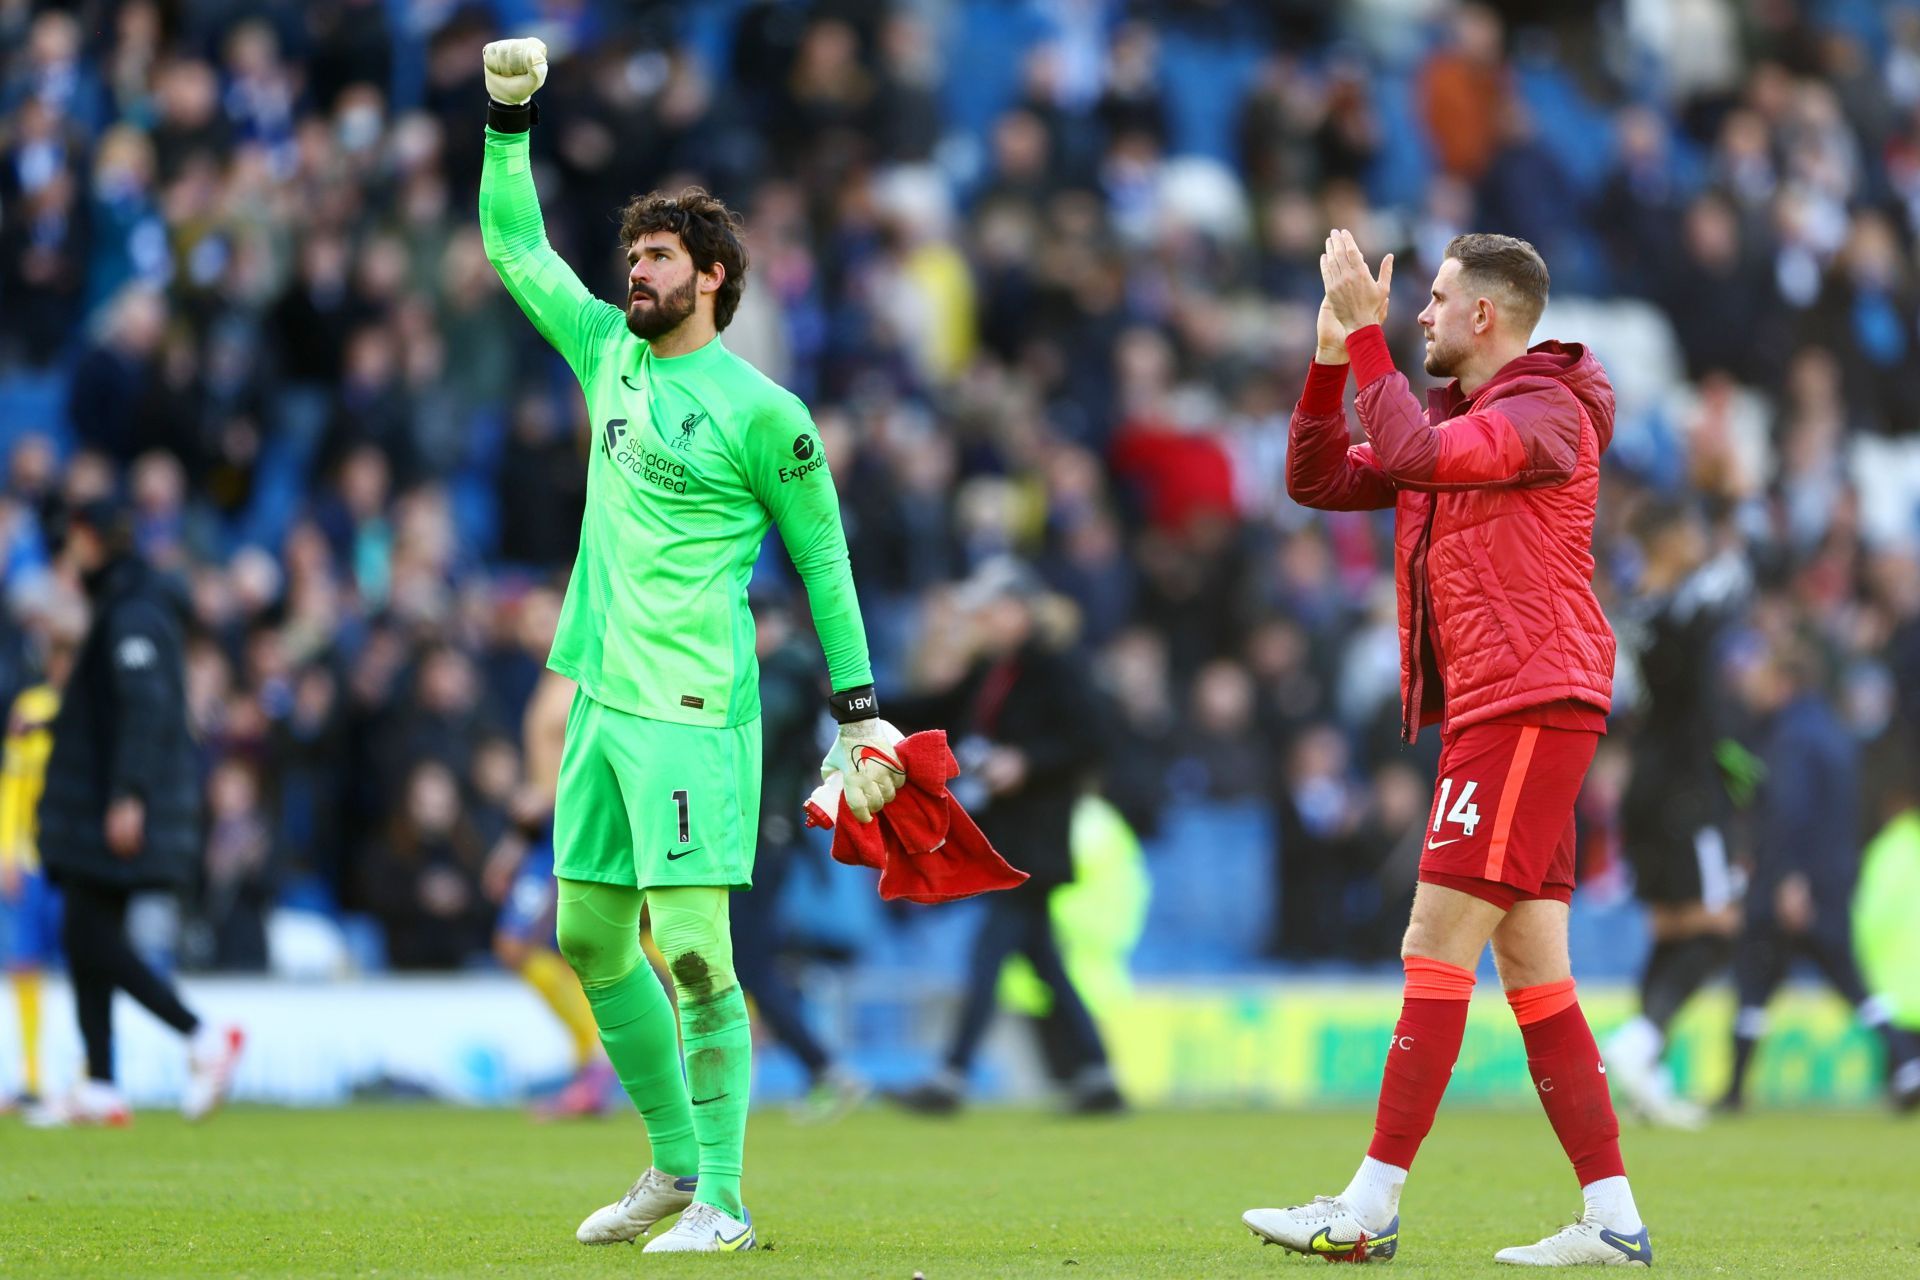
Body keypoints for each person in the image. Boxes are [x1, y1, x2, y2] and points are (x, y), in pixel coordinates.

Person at [478, 38, 902, 1254]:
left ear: (711, 276)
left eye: (657, 257)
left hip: (694, 702)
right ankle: (669, 1164)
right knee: (588, 938)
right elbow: (515, 247)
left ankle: (724, 1194)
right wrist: (511, 120)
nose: (634, 273)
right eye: (631, 255)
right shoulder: (605, 349)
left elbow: (823, 559)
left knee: (700, 953)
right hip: (604, 693)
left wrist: (858, 702)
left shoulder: (768, 414)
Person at [1245, 231, 1650, 1266]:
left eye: (1432, 299)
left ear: (1486, 317)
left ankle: (1369, 1205)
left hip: (1527, 700)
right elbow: (1318, 476)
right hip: (1503, 706)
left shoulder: (1543, 412)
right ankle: (1612, 1217)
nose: (1416, 313)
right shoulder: (1456, 420)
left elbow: (1417, 459)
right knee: (1532, 965)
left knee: (1433, 940)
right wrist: (1336, 351)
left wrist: (1372, 346)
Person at [30, 498, 243, 1126]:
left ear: (87, 539)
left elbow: (144, 706)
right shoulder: (129, 604)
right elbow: (112, 708)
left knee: (90, 934)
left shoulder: (132, 611)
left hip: (117, 803)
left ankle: (203, 1037)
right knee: (84, 930)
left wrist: (128, 794)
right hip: (104, 800)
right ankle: (99, 1083)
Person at [883, 558, 1123, 1116]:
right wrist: (862, 707)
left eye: (990, 610)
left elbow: (1094, 738)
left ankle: (952, 1075)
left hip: (1033, 837)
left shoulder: (1057, 667)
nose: (982, 620)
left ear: (1019, 610)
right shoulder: (994, 668)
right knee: (1042, 960)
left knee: (990, 950)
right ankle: (1096, 1073)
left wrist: (1028, 762)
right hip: (1006, 835)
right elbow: (936, 712)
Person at [1717, 633, 1920, 1113]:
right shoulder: (1833, 731)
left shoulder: (1791, 736)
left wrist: (1789, 878)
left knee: (1754, 980)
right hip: (1832, 877)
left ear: (1785, 681)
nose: (1755, 687)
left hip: (1792, 884)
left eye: (1763, 677)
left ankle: (1733, 1091)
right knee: (1849, 982)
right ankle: (1908, 1064)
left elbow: (1792, 811)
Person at [1604, 501, 1747, 1128]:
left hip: (1646, 781)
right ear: (1664, 542)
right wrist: (1733, 499)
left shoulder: (1634, 611)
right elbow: (1736, 575)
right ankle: (1642, 1039)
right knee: (1719, 930)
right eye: (1688, 531)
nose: (1698, 542)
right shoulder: (1681, 606)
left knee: (1670, 929)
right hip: (1688, 788)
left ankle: (1647, 1078)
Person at [730, 593, 868, 1122]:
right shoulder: (800, 674)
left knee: (750, 963)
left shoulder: (782, 679)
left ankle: (823, 1069)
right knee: (752, 961)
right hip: (776, 834)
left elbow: (753, 744)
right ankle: (817, 1068)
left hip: (764, 836)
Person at [483, 663, 619, 1119]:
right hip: (548, 830)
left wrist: (555, 797)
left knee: (535, 944)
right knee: (533, 946)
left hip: (575, 824)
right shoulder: (547, 677)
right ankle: (592, 1061)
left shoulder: (591, 670)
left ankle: (596, 1062)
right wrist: (515, 841)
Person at [0, 589, 82, 1110]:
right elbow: (13, 784)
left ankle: (88, 1075)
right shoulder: (31, 708)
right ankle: (33, 1077)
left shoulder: (94, 717)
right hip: (30, 861)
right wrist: (6, 848)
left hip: (75, 864)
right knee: (24, 965)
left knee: (84, 966)